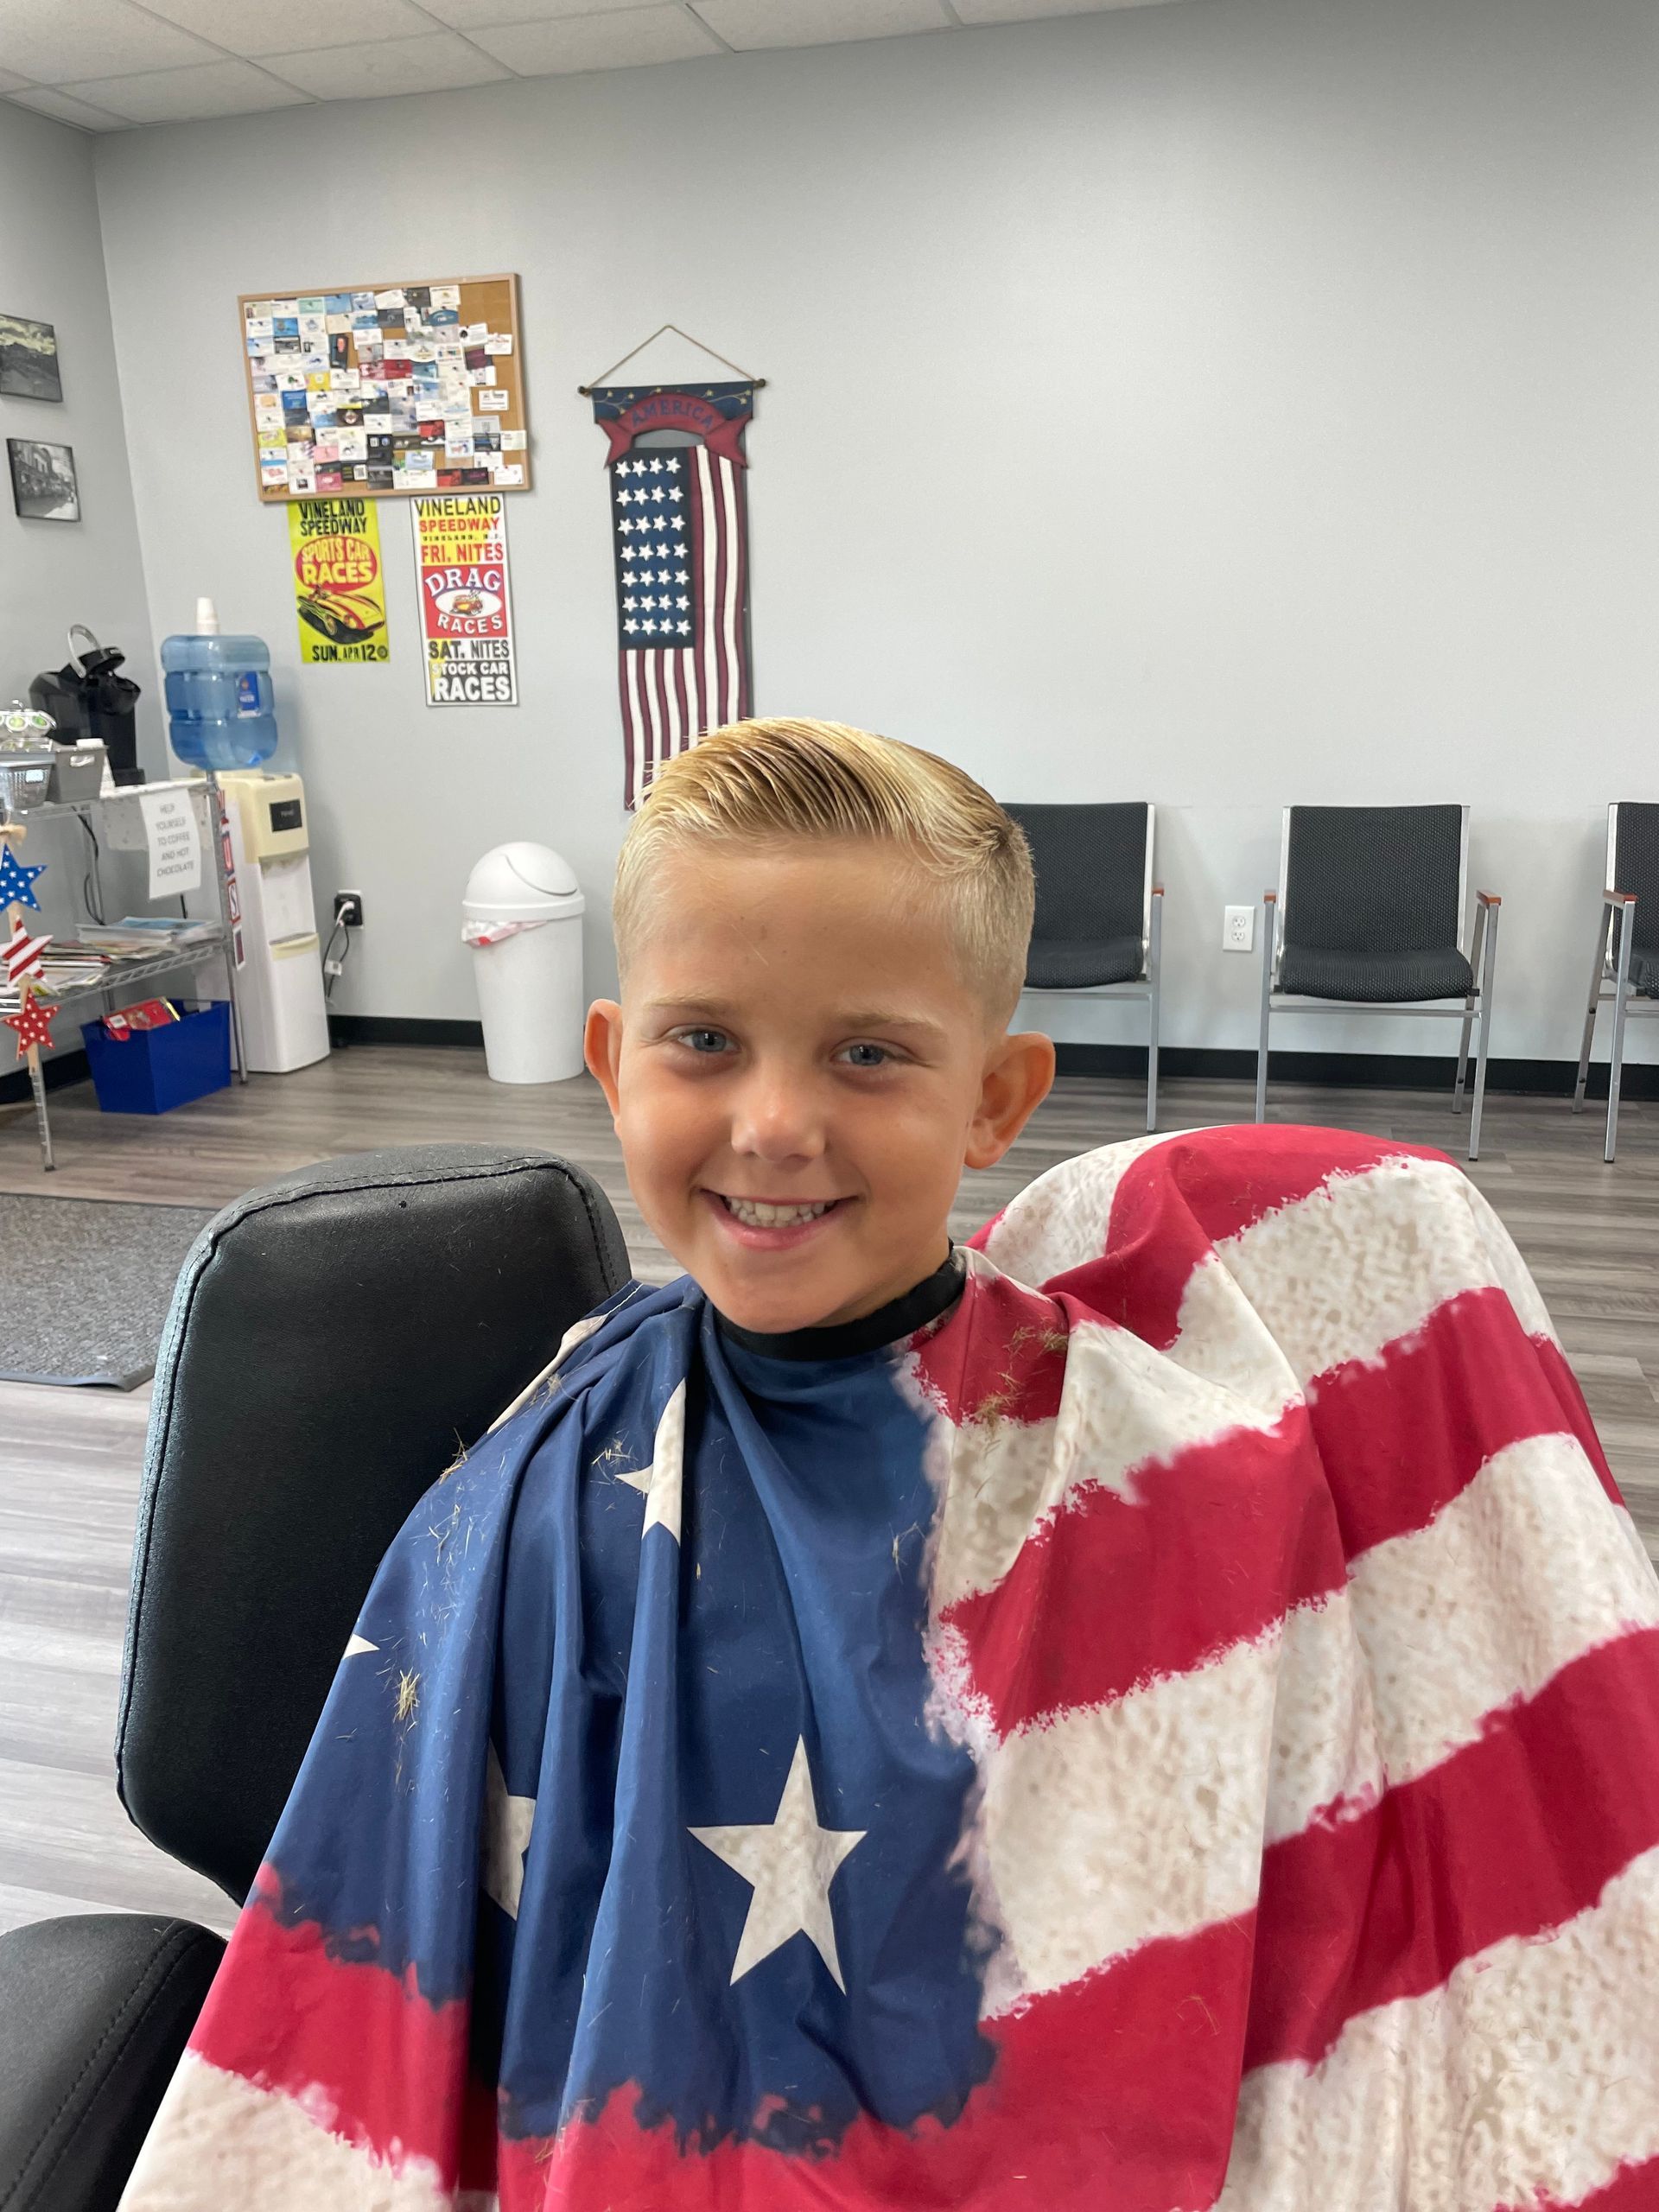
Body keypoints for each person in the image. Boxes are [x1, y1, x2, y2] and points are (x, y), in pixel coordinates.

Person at [120, 720, 1659, 2211]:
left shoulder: (1159, 1466)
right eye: (703, 1041)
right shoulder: (545, 1477)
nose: (774, 1125)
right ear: (612, 1061)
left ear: (996, 1099)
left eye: (867, 1054)